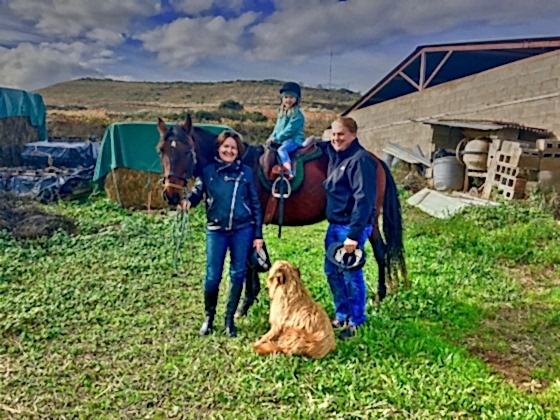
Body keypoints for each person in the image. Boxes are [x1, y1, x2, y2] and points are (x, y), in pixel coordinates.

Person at [181, 131, 264, 338]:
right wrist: (187, 202)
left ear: (238, 152)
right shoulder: (207, 171)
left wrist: (258, 234)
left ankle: (229, 319)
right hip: (216, 231)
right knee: (212, 276)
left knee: (238, 274)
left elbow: (255, 204)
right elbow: (196, 193)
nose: (229, 150)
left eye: (233, 148)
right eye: (225, 147)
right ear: (218, 148)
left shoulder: (246, 173)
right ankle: (209, 318)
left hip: (242, 230)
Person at [323, 117, 377, 340]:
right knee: (331, 271)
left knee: (350, 274)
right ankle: (341, 314)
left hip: (350, 228)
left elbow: (363, 199)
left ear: (353, 135)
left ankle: (356, 320)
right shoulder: (337, 156)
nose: (336, 138)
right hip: (335, 224)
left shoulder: (360, 160)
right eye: (334, 134)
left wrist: (354, 236)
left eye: (341, 134)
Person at [266, 82, 306, 180]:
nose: (288, 100)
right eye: (286, 97)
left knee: (282, 150)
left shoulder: (297, 115)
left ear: (296, 99)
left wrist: (277, 138)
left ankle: (289, 171)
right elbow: (278, 127)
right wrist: (271, 138)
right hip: (282, 139)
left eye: (291, 97)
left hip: (293, 139)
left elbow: (290, 130)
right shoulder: (281, 112)